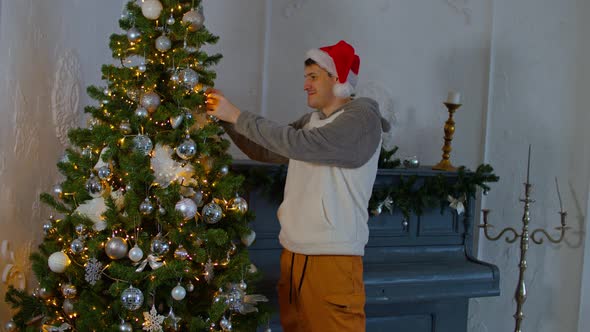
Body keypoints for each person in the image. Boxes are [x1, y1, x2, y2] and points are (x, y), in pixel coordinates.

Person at [205, 40, 390, 332]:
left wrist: (236, 115)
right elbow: (264, 149)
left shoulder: (362, 119)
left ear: (338, 79)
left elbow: (300, 144)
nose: (306, 85)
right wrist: (225, 119)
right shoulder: (312, 121)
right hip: (293, 255)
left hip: (332, 261)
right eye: (306, 78)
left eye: (313, 77)